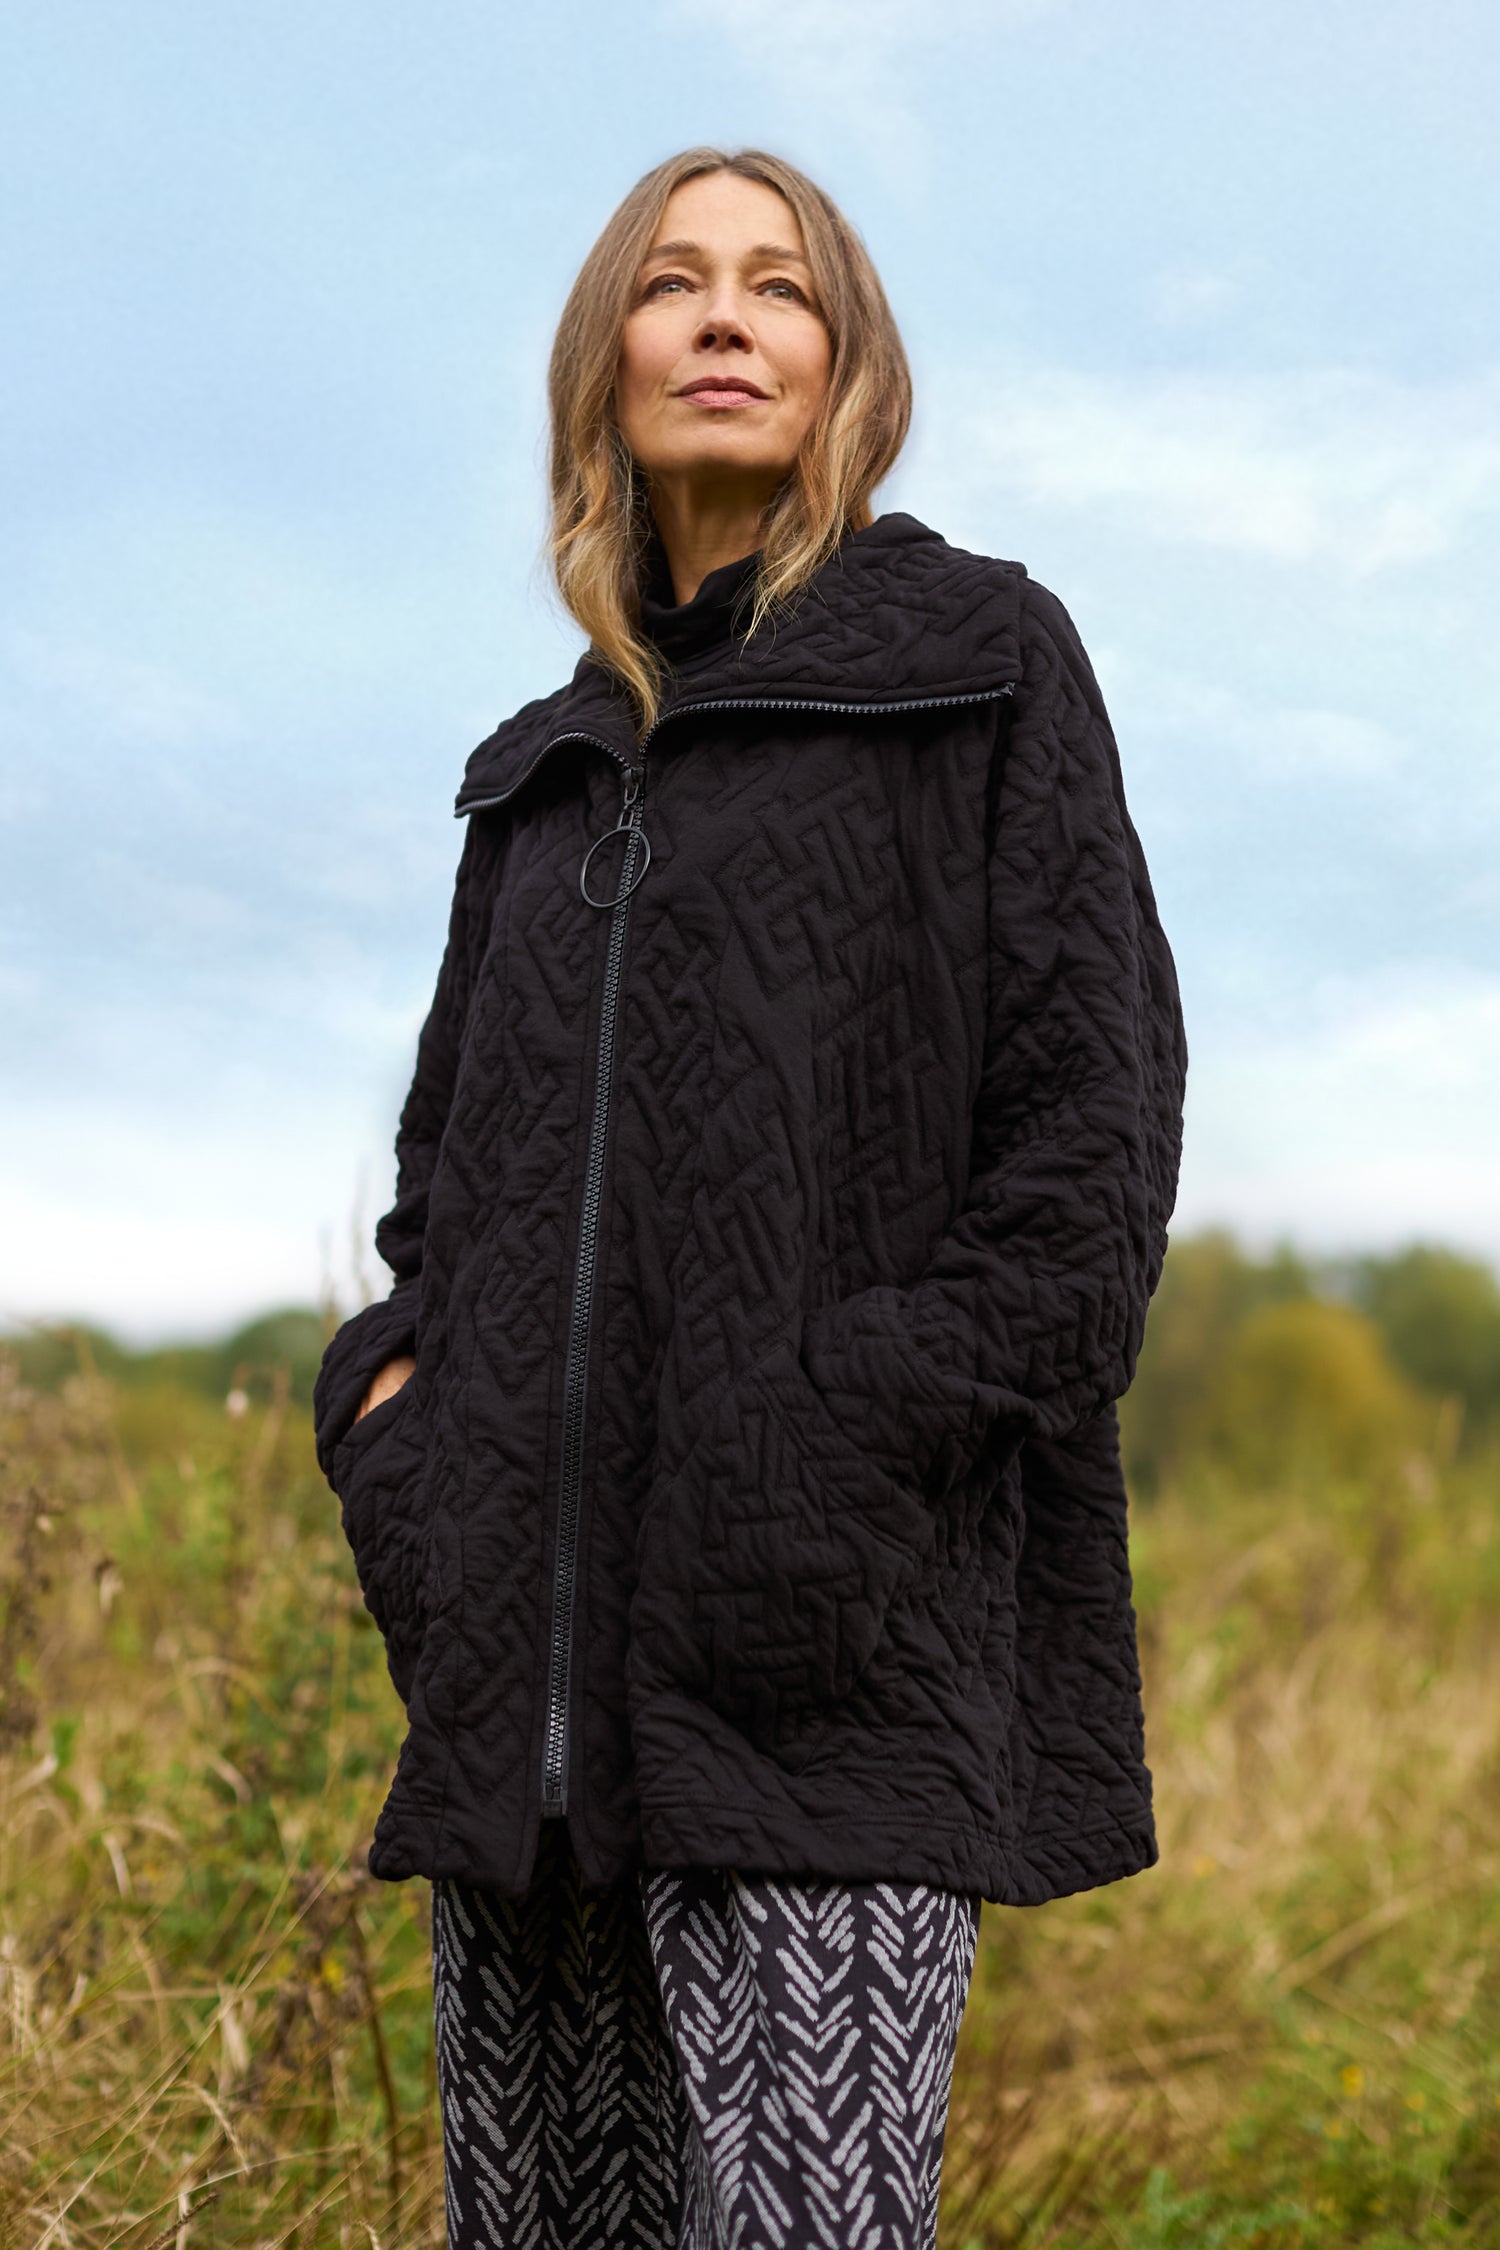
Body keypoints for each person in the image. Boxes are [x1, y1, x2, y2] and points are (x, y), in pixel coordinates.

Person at [314, 145, 1188, 2250]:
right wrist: (396, 1431)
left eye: (778, 286)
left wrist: (844, 1429)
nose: (724, 316)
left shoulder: (979, 663)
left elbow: (1096, 1146)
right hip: (522, 1701)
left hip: (827, 1673)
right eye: (673, 283)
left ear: (845, 363)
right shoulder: (539, 769)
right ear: (604, 361)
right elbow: (439, 1202)